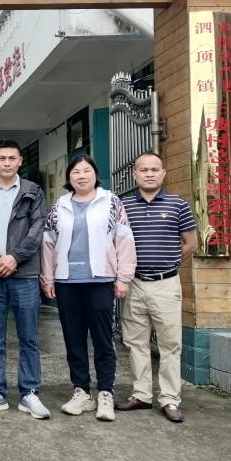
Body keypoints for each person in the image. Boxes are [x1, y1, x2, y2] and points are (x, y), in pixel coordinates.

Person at [41, 154, 136, 422]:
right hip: (67, 282)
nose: (81, 176)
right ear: (68, 177)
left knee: (103, 339)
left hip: (101, 280)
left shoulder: (111, 202)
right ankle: (81, 391)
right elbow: (48, 244)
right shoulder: (59, 206)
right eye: (75, 172)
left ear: (95, 174)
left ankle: (105, 392)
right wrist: (47, 278)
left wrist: (123, 277)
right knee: (73, 340)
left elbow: (124, 240)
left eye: (86, 171)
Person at [0, 139, 50, 419]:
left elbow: (37, 227)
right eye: (1, 158)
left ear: (20, 161)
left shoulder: (33, 191)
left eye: (11, 158)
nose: (6, 163)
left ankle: (30, 393)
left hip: (24, 273)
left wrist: (14, 257)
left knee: (29, 337)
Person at [116, 152, 197, 423]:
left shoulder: (178, 205)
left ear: (163, 173)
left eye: (154, 169)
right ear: (134, 175)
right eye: (144, 170)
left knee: (170, 344)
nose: (149, 174)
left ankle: (170, 399)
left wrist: (169, 263)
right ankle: (141, 394)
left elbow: (191, 243)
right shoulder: (124, 206)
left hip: (166, 284)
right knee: (135, 342)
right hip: (134, 283)